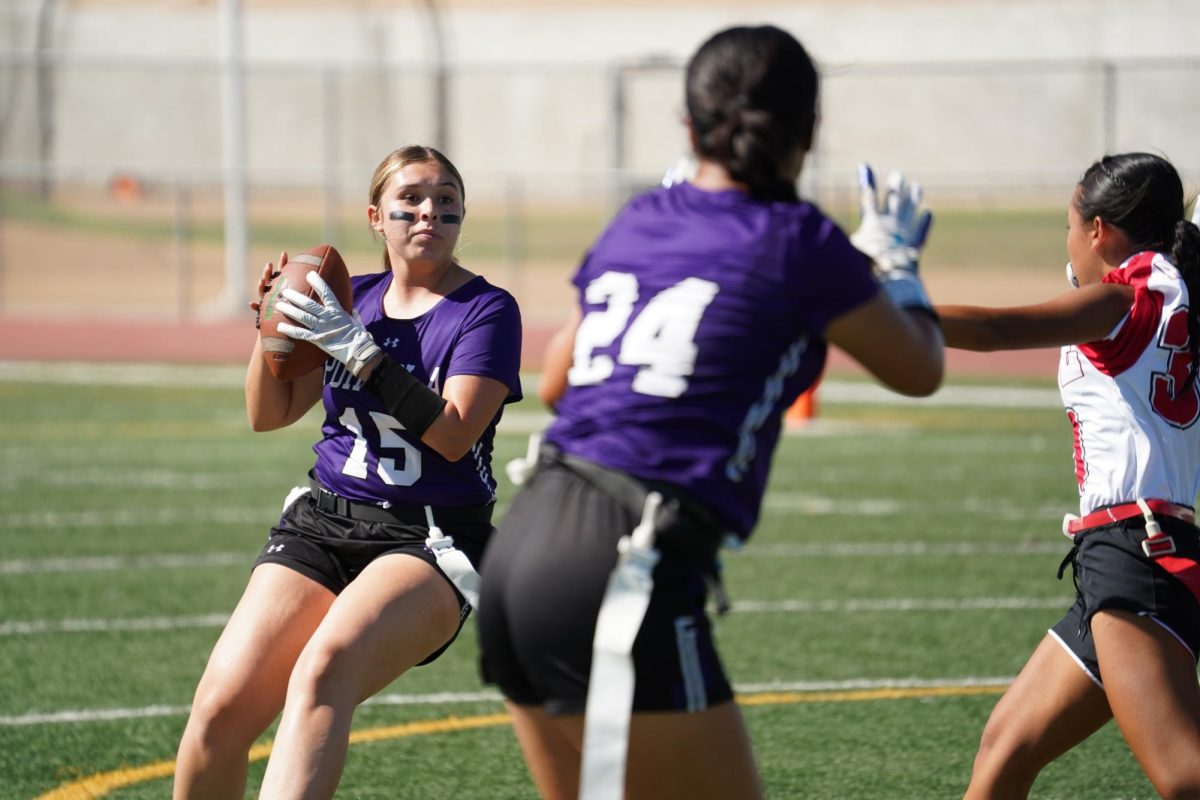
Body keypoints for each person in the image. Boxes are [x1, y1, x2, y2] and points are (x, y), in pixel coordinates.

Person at [476, 24, 944, 800]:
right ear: (810, 129)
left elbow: (557, 380)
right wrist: (894, 268)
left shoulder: (639, 218)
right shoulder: (804, 240)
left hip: (524, 539)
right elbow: (919, 366)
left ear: (689, 126)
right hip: (625, 553)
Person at [172, 144, 523, 800]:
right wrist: (271, 332)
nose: (430, 211)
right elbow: (268, 414)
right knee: (220, 709)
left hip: (430, 537)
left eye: (447, 199)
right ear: (376, 216)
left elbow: (452, 435)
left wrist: (359, 351)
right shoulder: (350, 296)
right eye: (412, 198)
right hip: (325, 517)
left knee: (323, 671)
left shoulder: (487, 310)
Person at [935, 152, 1200, 799]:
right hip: (1127, 553)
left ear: (1099, 231)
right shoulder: (1172, 289)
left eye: (1067, 225)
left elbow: (999, 327)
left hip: (1137, 558)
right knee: (1006, 748)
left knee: (1184, 776)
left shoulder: (1121, 300)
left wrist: (889, 312)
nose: (1066, 242)